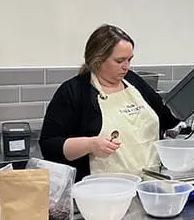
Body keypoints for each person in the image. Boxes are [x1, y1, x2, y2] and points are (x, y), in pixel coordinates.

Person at [39, 24, 181, 180]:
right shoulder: (74, 91)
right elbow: (49, 146)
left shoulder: (134, 82)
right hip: (103, 192)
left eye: (129, 59)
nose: (126, 66)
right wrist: (90, 144)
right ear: (98, 60)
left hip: (149, 184)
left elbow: (167, 118)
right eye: (120, 61)